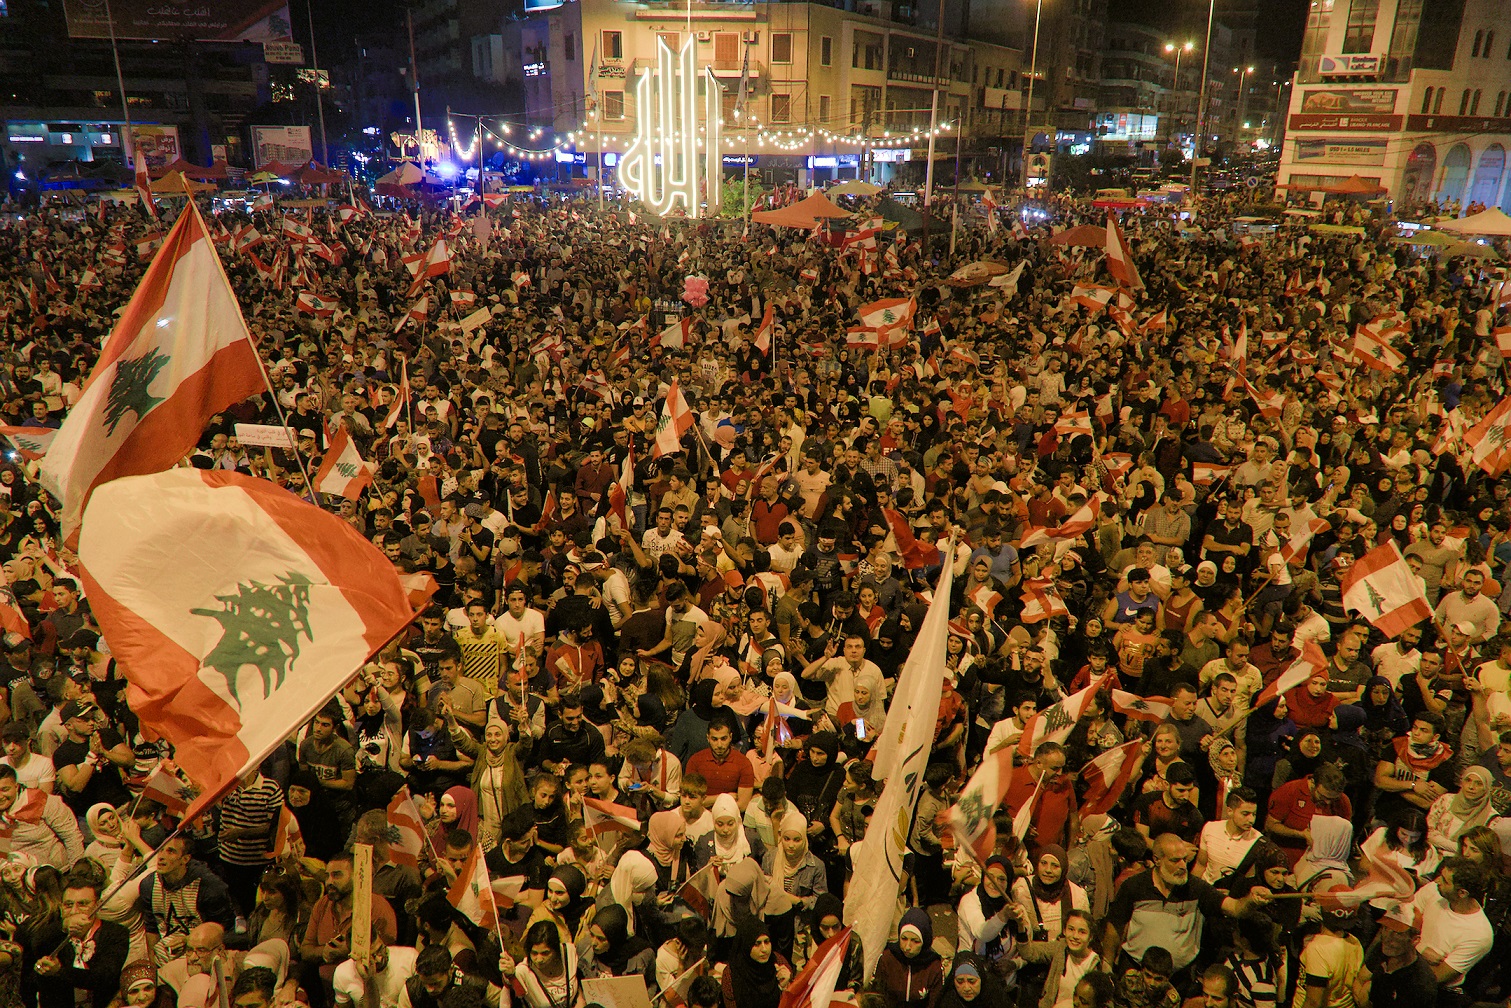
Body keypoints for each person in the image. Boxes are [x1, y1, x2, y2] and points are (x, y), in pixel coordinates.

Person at [1103, 833, 1274, 974]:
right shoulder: (1134, 886)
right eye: (1175, 861)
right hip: (1136, 970)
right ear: (1157, 860)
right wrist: (1107, 963)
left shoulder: (1196, 888)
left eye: (1184, 859)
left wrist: (1251, 900)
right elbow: (1115, 926)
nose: (1183, 866)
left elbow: (1236, 909)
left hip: (1179, 977)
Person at [1014, 909, 1102, 1008]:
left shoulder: (1094, 963)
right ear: (1064, 930)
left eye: (1082, 932)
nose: (1075, 936)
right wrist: (1021, 926)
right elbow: (1028, 952)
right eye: (1071, 929)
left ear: (1090, 937)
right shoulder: (1060, 948)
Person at [873, 907, 945, 1008]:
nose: (907, 947)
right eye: (904, 939)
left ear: (925, 942)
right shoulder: (887, 958)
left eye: (915, 941)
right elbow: (875, 995)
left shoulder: (934, 967)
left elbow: (936, 1002)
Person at [720, 920, 791, 1008]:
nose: (764, 949)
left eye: (766, 942)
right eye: (757, 944)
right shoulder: (731, 974)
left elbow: (794, 1002)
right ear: (746, 946)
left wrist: (786, 987)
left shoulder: (779, 962)